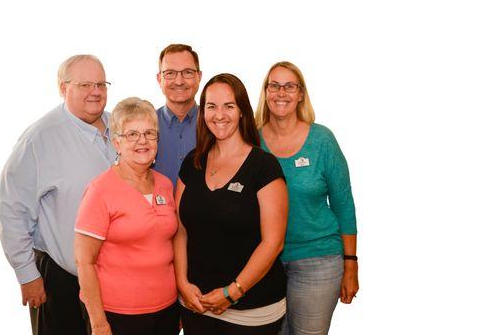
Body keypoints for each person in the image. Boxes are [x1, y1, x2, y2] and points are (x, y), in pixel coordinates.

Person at [0, 55, 116, 335]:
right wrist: (27, 275)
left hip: (113, 279)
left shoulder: (120, 128)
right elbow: (12, 209)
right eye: (85, 84)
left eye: (101, 83)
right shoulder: (39, 139)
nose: (96, 91)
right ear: (63, 88)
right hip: (60, 279)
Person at [174, 73, 289, 335]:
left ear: (242, 112)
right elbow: (180, 229)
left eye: (229, 106)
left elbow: (273, 242)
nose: (219, 114)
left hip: (251, 311)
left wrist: (233, 291)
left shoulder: (264, 166)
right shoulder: (193, 162)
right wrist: (182, 282)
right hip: (196, 305)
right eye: (211, 106)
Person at [255, 61, 359, 335]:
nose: (281, 93)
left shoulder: (322, 140)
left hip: (318, 259)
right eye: (274, 86)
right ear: (265, 92)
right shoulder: (251, 141)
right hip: (264, 263)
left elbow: (344, 205)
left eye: (290, 86)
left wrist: (351, 264)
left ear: (301, 93)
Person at [74, 97, 180, 335]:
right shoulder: (100, 190)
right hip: (117, 315)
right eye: (132, 134)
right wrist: (99, 323)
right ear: (117, 143)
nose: (142, 141)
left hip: (166, 310)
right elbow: (84, 262)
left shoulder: (164, 185)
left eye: (149, 133)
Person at [154, 43, 203, 187]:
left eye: (187, 72)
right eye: (170, 73)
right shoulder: (146, 127)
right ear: (159, 78)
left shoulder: (215, 124)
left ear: (199, 76)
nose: (179, 81)